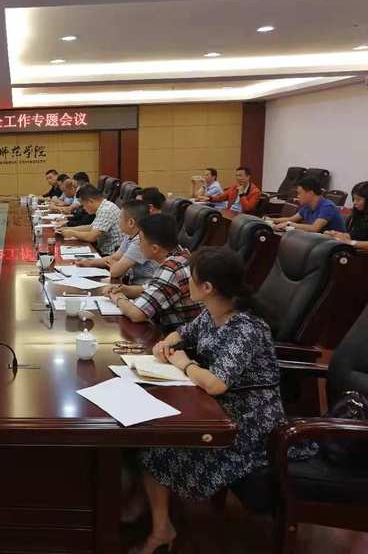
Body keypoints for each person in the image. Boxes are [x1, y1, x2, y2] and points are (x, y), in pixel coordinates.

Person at [132, 247, 313, 554]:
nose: (186, 281)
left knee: (157, 445)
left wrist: (185, 364)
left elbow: (216, 384)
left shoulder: (246, 328)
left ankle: (161, 528)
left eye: (191, 278)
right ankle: (146, 509)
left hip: (250, 427)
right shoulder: (213, 313)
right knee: (151, 433)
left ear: (207, 288)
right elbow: (183, 333)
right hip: (219, 410)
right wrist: (167, 343)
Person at [102, 214, 203, 332]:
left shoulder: (171, 269)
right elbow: (151, 288)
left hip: (175, 335)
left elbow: (137, 314)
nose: (138, 245)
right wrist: (124, 289)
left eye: (140, 241)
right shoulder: (181, 253)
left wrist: (117, 297)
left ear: (155, 248)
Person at [76, 200, 159, 285]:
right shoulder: (129, 235)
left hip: (143, 287)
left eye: (120, 218)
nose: (118, 221)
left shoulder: (139, 241)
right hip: (129, 282)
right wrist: (89, 262)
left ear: (131, 222)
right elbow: (114, 257)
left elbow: (115, 272)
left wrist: (115, 264)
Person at [55, 184, 123, 255]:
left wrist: (73, 233)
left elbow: (91, 237)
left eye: (83, 205)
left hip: (110, 255)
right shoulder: (104, 206)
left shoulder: (106, 210)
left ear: (90, 201)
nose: (84, 208)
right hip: (103, 250)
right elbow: (91, 227)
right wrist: (68, 229)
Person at [274, 176, 347, 233]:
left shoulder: (327, 206)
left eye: (299, 193)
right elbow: (291, 219)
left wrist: (289, 224)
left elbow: (314, 228)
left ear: (310, 193)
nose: (298, 196)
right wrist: (271, 220)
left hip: (335, 245)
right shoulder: (307, 206)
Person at [326, 181, 368, 252]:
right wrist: (337, 235)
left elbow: (352, 241)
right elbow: (357, 235)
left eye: (358, 200)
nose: (354, 203)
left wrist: (351, 243)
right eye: (354, 199)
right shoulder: (360, 213)